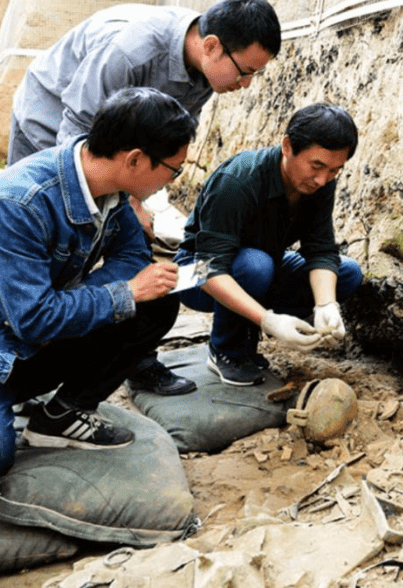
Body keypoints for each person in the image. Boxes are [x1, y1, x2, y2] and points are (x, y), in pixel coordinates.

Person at [6, 0, 282, 396]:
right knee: (51, 245)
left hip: (116, 160)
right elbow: (79, 133)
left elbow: (168, 142)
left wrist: (137, 204)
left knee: (131, 254)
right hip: (52, 125)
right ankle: (22, 357)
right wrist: (129, 203)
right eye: (246, 72)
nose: (247, 84)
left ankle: (119, 357)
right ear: (212, 46)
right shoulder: (129, 50)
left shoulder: (205, 74)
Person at [0, 87, 198, 475]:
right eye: (172, 170)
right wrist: (122, 293)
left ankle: (61, 414)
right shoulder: (20, 204)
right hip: (6, 351)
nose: (170, 182)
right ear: (136, 160)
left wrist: (84, 299)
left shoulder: (110, 189)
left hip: (34, 339)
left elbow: (134, 255)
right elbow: (34, 319)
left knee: (157, 299)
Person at [176, 103, 363, 386]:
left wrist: (327, 304)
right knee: (255, 265)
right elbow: (208, 267)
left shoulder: (319, 183)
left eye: (335, 171)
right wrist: (269, 321)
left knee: (347, 272)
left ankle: (248, 324)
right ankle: (226, 350)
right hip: (194, 274)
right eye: (317, 166)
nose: (323, 179)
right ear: (287, 146)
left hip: (262, 264)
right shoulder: (238, 180)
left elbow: (321, 249)